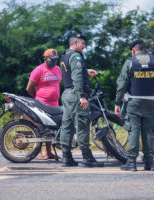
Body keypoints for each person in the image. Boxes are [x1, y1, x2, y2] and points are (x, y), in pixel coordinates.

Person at [115, 39, 154, 172]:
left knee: (134, 130)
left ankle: (131, 162)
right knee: (148, 132)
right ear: (145, 50)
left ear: (134, 50)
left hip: (134, 102)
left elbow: (122, 85)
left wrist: (117, 102)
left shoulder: (130, 62)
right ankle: (150, 163)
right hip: (150, 102)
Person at [59, 34, 104, 167]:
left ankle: (66, 157)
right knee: (83, 124)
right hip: (75, 94)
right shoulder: (76, 56)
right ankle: (87, 158)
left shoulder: (65, 56)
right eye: (82, 43)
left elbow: (71, 72)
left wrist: (86, 71)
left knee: (67, 125)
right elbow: (77, 77)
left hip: (67, 94)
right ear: (75, 42)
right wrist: (82, 96)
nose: (84, 46)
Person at [26, 48, 61, 160]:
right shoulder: (38, 70)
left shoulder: (58, 69)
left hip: (54, 104)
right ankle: (38, 152)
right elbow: (29, 88)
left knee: (51, 129)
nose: (54, 61)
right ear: (45, 59)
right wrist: (37, 99)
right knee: (39, 127)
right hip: (41, 103)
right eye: (52, 59)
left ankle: (49, 152)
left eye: (56, 59)